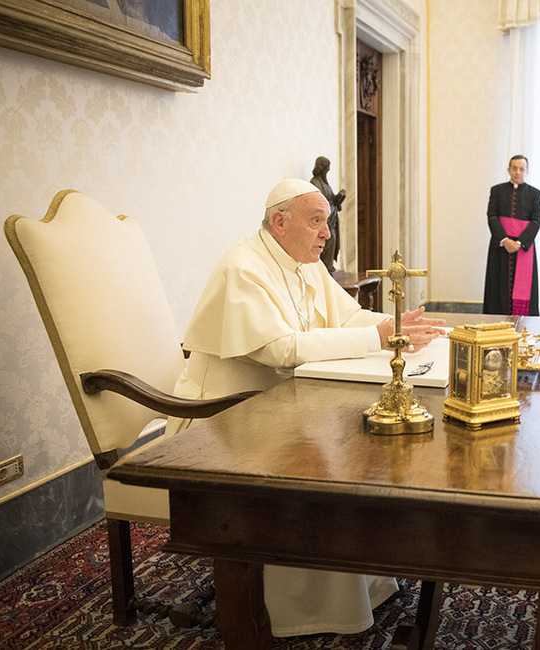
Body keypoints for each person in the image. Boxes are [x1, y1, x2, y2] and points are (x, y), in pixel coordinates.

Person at [168, 178, 445, 638]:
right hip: (223, 422)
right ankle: (302, 609)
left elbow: (350, 316)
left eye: (328, 223)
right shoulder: (243, 266)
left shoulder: (306, 263)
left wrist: (394, 324)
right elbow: (279, 349)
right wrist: (377, 337)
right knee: (330, 464)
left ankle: (367, 580)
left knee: (361, 449)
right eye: (317, 221)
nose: (327, 234)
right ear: (280, 221)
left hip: (284, 408)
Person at [483, 155, 540, 315]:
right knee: (498, 286)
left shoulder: (535, 194)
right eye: (514, 168)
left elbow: (536, 220)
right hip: (500, 248)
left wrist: (520, 242)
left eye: (521, 169)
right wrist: (504, 240)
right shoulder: (497, 190)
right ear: (508, 169)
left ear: (526, 171)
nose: (517, 172)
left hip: (523, 249)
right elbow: (492, 216)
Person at [310, 156, 346, 273]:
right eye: (327, 168)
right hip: (326, 222)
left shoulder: (325, 184)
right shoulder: (315, 183)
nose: (328, 171)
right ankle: (324, 271)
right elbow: (318, 205)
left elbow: (330, 200)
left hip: (331, 221)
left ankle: (328, 268)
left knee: (332, 242)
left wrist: (339, 197)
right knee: (326, 245)